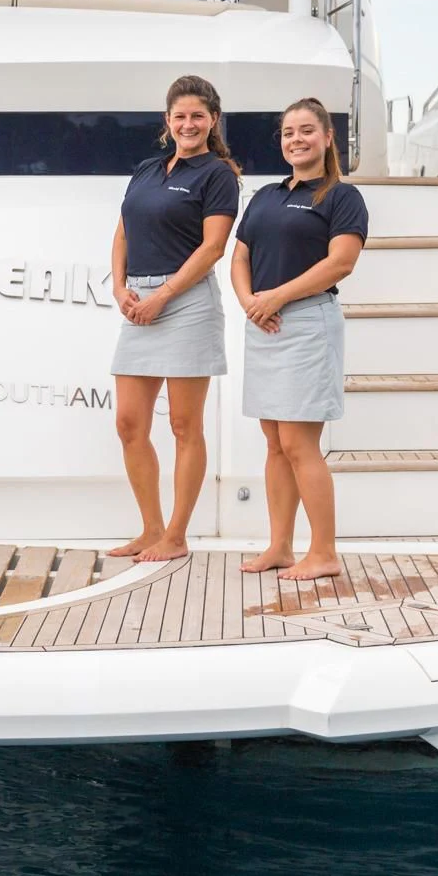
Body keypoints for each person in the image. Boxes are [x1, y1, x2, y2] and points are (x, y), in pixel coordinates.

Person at [231, 96, 369, 582]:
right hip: (265, 323)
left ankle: (325, 552)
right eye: (289, 132)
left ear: (328, 138)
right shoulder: (265, 195)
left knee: (299, 443)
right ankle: (281, 547)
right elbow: (240, 257)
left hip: (308, 323)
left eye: (307, 130)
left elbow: (340, 263)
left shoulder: (341, 197)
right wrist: (252, 302)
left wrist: (276, 298)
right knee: (273, 442)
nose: (296, 139)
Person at [107, 75, 240, 561]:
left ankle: (177, 537)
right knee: (128, 423)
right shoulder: (146, 169)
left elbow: (213, 249)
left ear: (212, 121)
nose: (188, 124)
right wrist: (120, 287)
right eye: (180, 116)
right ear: (168, 121)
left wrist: (162, 295)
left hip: (185, 302)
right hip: (138, 299)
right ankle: (150, 529)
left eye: (197, 116)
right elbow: (122, 233)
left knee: (185, 425)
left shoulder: (218, 174)